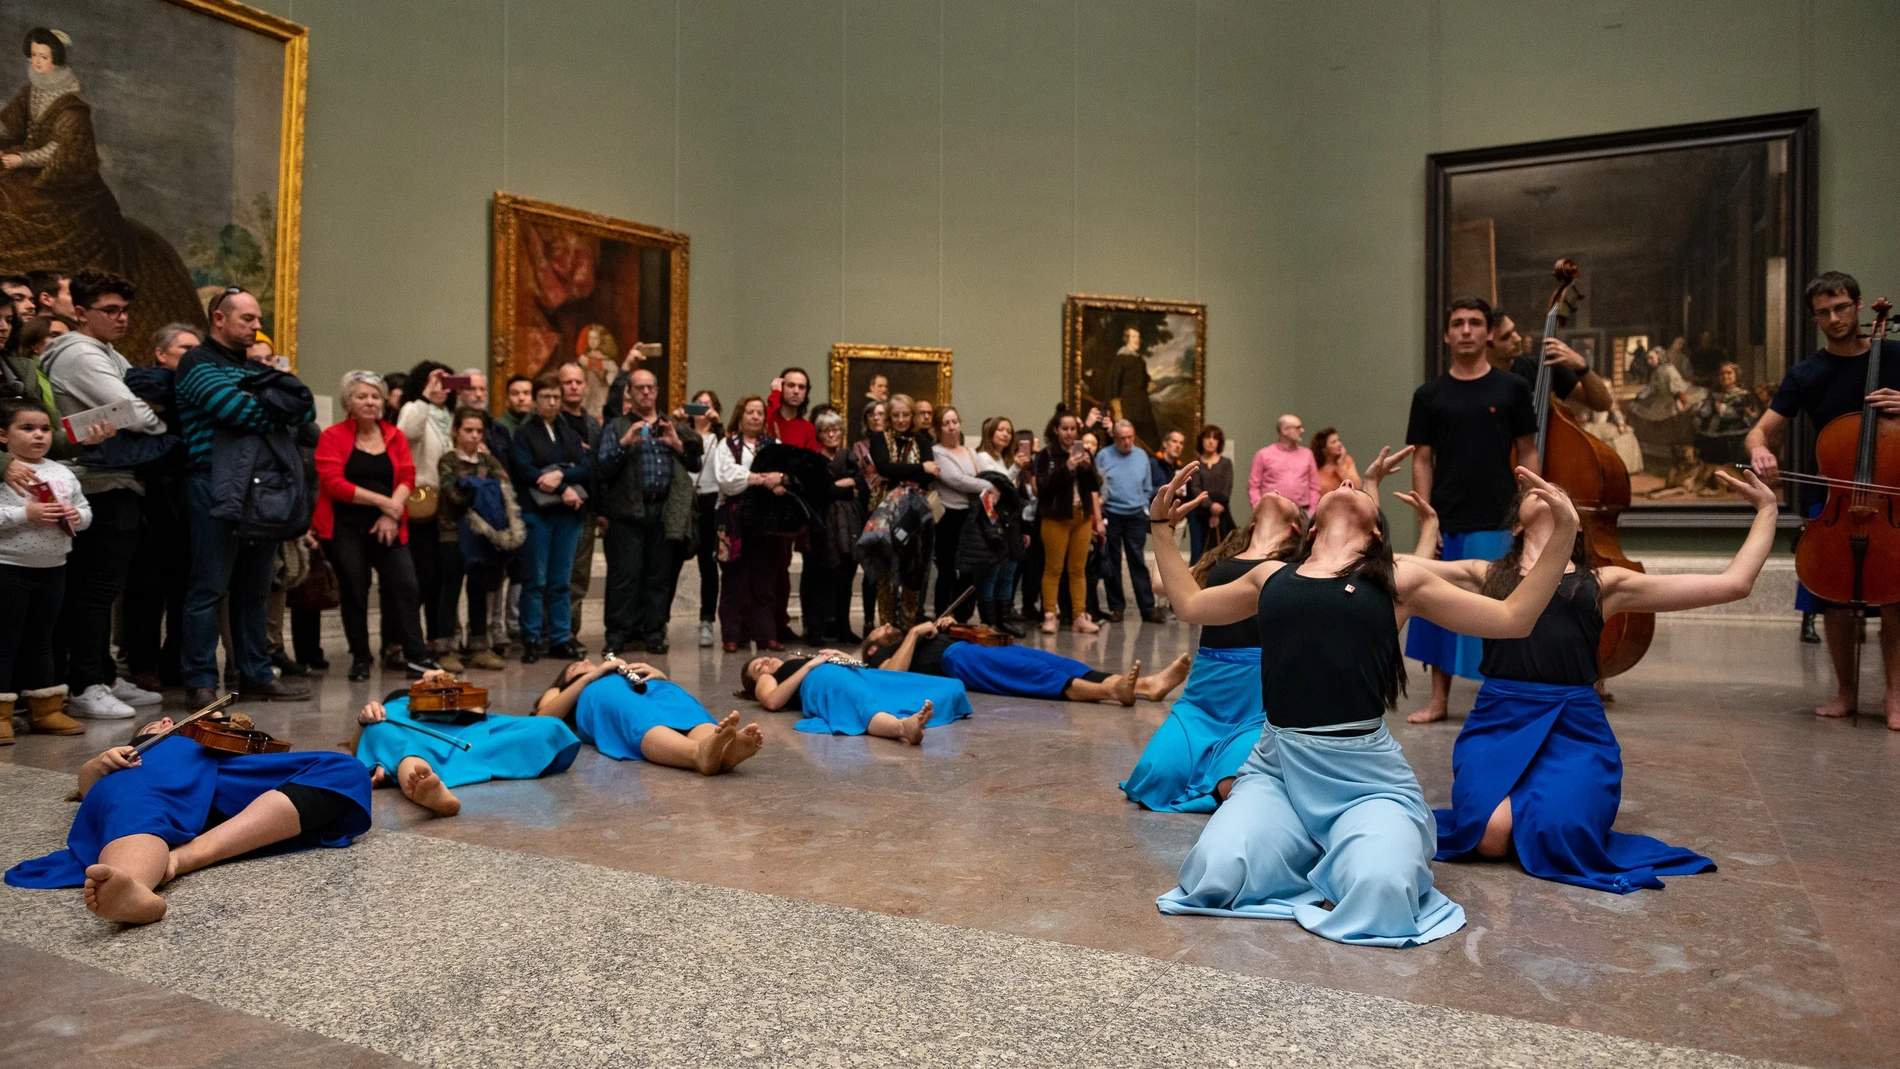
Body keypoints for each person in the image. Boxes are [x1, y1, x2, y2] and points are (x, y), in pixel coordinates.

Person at [1146, 449, 1579, 947]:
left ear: (1376, 532)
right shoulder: (1270, 577)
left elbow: (1512, 619)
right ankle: (1315, 851)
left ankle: (1352, 851)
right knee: (1211, 872)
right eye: (1342, 485)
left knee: (1380, 890)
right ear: (1309, 530)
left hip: (1366, 780)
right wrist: (1160, 525)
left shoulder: (1398, 580)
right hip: (1278, 772)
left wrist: (1563, 534)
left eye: (1358, 490)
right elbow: (1189, 604)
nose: (1348, 485)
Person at [1397, 468, 1777, 892]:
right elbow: (1399, 570)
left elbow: (1734, 584)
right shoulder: (1485, 574)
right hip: (1498, 721)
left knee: (1558, 834)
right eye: (1534, 492)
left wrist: (1767, 510)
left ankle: (1555, 801)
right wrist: (1430, 525)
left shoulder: (1605, 583)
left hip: (1574, 728)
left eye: (1559, 492)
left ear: (1574, 521)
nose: (1546, 490)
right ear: (1518, 524)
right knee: (1488, 835)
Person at [3, 720, 372, 925]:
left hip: (221, 780)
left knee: (345, 768)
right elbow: (87, 789)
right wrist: (100, 764)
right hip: (154, 783)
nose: (167, 721)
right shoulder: (138, 757)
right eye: (157, 722)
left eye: (170, 722)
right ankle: (134, 887)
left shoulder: (204, 742)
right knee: (138, 800)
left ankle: (183, 858)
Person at [1746, 270, 1900, 728]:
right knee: (1834, 597)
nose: (1834, 318)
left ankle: (1895, 695)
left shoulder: (1894, 357)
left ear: (1857, 306)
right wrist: (1758, 448)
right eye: (1823, 313)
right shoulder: (1807, 373)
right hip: (1832, 495)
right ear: (1815, 318)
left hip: (1891, 495)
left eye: (1841, 307)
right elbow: (1762, 428)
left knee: (1895, 598)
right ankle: (1845, 693)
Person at [1121, 493, 1308, 812]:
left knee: (1232, 786)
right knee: (1155, 776)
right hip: (1205, 694)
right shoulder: (1220, 559)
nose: (1277, 490)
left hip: (1258, 701)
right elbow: (1160, 584)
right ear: (1251, 523)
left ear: (1295, 527)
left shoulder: (1298, 568)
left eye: (1287, 496)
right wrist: (1168, 529)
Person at [38, 269, 169, 717]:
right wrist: (162, 425)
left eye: (125, 310)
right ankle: (85, 683)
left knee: (103, 587)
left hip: (111, 479)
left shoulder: (103, 349)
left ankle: (104, 674)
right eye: (110, 310)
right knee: (94, 590)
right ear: (79, 312)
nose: (122, 318)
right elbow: (133, 410)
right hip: (97, 481)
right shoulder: (79, 353)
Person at [175, 288, 313, 707]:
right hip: (214, 483)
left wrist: (270, 400)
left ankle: (255, 673)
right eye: (248, 319)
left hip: (263, 487)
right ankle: (201, 682)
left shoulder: (250, 365)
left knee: (256, 588)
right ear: (219, 318)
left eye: (257, 319)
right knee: (209, 588)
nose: (257, 327)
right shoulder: (197, 361)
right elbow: (238, 411)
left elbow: (304, 412)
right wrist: (272, 402)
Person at [1403, 297, 1537, 725]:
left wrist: (1529, 507)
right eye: (1457, 323)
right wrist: (1428, 517)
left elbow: (1529, 450)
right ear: (1446, 335)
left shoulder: (1512, 388)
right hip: (1449, 516)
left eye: (1475, 323)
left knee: (1499, 608)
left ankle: (1500, 698)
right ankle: (1439, 699)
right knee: (1435, 607)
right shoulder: (1429, 395)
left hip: (1499, 515)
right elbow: (1421, 458)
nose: (1465, 330)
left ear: (1489, 333)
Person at [314, 371, 433, 681]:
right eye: (361, 396)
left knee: (406, 586)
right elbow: (333, 483)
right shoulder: (332, 436)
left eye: (375, 396)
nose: (369, 402)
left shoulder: (394, 435)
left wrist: (392, 513)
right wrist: (384, 503)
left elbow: (407, 476)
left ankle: (417, 656)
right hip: (346, 525)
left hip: (389, 524)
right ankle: (361, 658)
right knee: (355, 590)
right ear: (348, 402)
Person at [353, 671, 581, 817]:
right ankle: (427, 788)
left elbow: (478, 713)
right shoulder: (396, 703)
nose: (430, 680)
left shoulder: (455, 693)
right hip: (405, 727)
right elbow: (356, 747)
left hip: (464, 731)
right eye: (424, 680)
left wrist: (450, 683)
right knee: (384, 729)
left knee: (549, 727)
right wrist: (364, 719)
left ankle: (425, 775)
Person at [0, 398, 91, 740]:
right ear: (3, 436)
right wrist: (26, 514)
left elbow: (85, 511)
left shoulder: (61, 471)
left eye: (44, 429)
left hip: (53, 568)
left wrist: (76, 517)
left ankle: (46, 708)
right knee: (5, 640)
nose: (38, 436)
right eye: (27, 428)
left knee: (44, 638)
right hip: (7, 567)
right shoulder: (5, 473)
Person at [597, 368, 702, 656]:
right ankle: (617, 634)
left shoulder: (671, 425)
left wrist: (676, 444)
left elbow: (694, 463)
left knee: (659, 577)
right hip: (626, 513)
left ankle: (654, 632)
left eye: (650, 387)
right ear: (629, 392)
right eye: (639, 388)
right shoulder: (617, 426)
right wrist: (624, 444)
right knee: (625, 577)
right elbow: (603, 468)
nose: (645, 392)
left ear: (656, 391)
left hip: (663, 511)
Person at [860, 616, 1190, 705]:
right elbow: (891, 677)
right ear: (871, 648)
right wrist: (914, 635)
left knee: (1056, 662)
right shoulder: (885, 654)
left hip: (972, 646)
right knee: (1033, 674)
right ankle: (1112, 692)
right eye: (880, 629)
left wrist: (946, 625)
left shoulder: (907, 638)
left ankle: (1147, 685)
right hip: (958, 659)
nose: (887, 626)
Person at [121, 322, 200, 693]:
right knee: (147, 588)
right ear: (161, 353)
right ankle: (142, 663)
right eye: (185, 349)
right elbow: (141, 390)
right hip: (153, 495)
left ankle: (176, 664)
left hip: (190, 497)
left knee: (186, 588)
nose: (193, 356)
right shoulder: (145, 379)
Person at [535, 657, 765, 774]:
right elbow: (544, 717)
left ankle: (723, 752)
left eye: (588, 662)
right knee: (637, 715)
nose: (585, 661)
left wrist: (659, 676)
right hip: (600, 693)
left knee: (681, 703)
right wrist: (590, 676)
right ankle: (697, 754)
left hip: (646, 686)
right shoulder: (566, 689)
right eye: (575, 666)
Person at [510, 372, 591, 664]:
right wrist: (563, 484)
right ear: (536, 400)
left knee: (561, 580)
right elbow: (524, 469)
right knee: (535, 580)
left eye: (557, 397)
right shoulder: (524, 431)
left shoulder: (568, 429)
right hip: (538, 513)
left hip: (567, 515)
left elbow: (584, 466)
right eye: (546, 397)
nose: (553, 402)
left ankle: (560, 637)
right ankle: (531, 638)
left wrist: (560, 475)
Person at [436, 406, 520, 671]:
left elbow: (503, 482)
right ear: (455, 431)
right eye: (468, 430)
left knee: (479, 589)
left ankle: (479, 646)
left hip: (482, 535)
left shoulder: (487, 460)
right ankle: (445, 648)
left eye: (478, 431)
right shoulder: (448, 459)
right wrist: (482, 490)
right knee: (449, 589)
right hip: (451, 532)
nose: (474, 436)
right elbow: (454, 495)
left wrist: (478, 486)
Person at [742, 649, 970, 744]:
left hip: (849, 672)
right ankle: (901, 728)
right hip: (822, 680)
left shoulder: (794, 659)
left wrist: (842, 656)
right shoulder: (770, 678)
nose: (764, 662)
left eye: (762, 658)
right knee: (860, 703)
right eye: (757, 668)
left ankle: (917, 716)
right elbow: (772, 701)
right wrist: (811, 665)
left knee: (922, 685)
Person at [712, 395, 783, 652]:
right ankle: (732, 635)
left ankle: (765, 634)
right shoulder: (727, 444)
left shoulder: (773, 444)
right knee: (734, 578)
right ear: (740, 416)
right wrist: (759, 478)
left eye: (759, 413)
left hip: (765, 519)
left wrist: (777, 477)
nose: (755, 417)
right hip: (734, 520)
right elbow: (726, 477)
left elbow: (782, 472)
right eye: (750, 412)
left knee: (764, 578)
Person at [397, 361, 457, 665]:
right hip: (419, 502)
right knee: (419, 578)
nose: (442, 388)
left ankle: (435, 640)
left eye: (447, 382)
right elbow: (406, 436)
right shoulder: (413, 408)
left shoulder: (450, 417)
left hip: (446, 508)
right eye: (436, 381)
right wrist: (424, 397)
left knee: (440, 579)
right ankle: (401, 642)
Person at [864, 394, 938, 631]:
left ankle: (908, 626)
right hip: (885, 513)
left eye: (906, 415)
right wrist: (918, 468)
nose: (901, 419)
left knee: (913, 569)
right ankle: (886, 628)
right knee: (885, 570)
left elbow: (930, 475)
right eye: (895, 415)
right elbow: (884, 466)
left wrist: (898, 473)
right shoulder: (879, 438)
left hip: (914, 514)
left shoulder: (922, 440)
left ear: (913, 416)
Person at [1032, 408, 1101, 634]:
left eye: (1073, 429)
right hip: (1055, 517)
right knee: (1053, 568)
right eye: (1065, 429)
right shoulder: (1046, 455)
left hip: (1081, 517)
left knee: (1078, 569)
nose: (1070, 433)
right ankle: (1050, 615)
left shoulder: (1082, 452)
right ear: (1055, 430)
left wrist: (1087, 467)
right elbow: (1043, 486)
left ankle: (1079, 616)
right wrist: (1068, 467)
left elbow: (1095, 486)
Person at [809, 409, 867, 643]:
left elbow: (862, 484)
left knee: (846, 577)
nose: (832, 434)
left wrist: (845, 485)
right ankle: (816, 630)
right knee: (820, 580)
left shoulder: (849, 456)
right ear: (819, 434)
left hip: (850, 525)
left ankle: (843, 628)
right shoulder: (814, 460)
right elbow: (821, 491)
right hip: (823, 525)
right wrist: (845, 488)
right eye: (826, 430)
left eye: (836, 429)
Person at [1095, 418, 1161, 624]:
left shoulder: (1141, 456)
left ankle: (1147, 608)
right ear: (1114, 438)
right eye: (1122, 438)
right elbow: (1099, 487)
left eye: (1130, 437)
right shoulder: (1103, 456)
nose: (1127, 442)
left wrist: (1143, 507)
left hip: (1135, 516)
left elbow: (1147, 487)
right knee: (1112, 562)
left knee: (1137, 561)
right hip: (1112, 514)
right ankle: (1117, 608)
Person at [927, 406, 989, 620]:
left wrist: (983, 483)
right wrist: (989, 485)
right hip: (948, 518)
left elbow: (981, 475)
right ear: (938, 428)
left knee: (969, 569)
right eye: (946, 423)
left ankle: (963, 617)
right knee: (947, 570)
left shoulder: (971, 452)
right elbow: (957, 480)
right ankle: (942, 616)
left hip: (970, 516)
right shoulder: (937, 452)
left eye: (954, 422)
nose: (952, 427)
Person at [557, 361, 604, 638]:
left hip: (586, 513)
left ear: (585, 387)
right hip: (555, 511)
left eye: (578, 382)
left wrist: (600, 510)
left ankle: (570, 633)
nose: (573, 387)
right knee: (555, 577)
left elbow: (597, 471)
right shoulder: (551, 423)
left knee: (578, 578)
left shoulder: (592, 425)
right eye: (567, 382)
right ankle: (551, 632)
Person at [1489, 311, 1614, 414]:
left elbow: (1604, 404)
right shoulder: (1475, 380)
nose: (1518, 338)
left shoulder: (1543, 367)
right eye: (1506, 337)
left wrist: (1582, 365)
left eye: (1514, 330)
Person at [686, 390, 724, 648]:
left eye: (707, 405)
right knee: (671, 563)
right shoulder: (684, 434)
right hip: (686, 502)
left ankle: (707, 621)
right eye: (697, 405)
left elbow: (729, 453)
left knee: (708, 567)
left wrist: (719, 423)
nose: (702, 409)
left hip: (712, 502)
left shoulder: (719, 439)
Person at [1248, 414, 1319, 513]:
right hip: (1272, 511)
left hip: (1302, 512)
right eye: (1298, 427)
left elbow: (1314, 487)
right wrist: (1259, 510)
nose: (1302, 430)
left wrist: (1311, 512)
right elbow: (1253, 487)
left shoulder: (1307, 454)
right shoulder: (1263, 455)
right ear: (1285, 430)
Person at [1184, 425, 1234, 563]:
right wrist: (1211, 506)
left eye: (1215, 438)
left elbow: (1226, 489)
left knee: (1222, 554)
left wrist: (1216, 511)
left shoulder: (1226, 463)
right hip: (1199, 514)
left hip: (1222, 513)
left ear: (1219, 442)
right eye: (1207, 437)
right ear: (1201, 440)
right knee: (1197, 554)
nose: (1211, 441)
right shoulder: (1195, 463)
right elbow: (1195, 488)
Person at [1694, 361, 1758, 467]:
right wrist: (1705, 409)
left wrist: (1722, 408)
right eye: (1722, 374)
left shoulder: (1743, 395)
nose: (1725, 376)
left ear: (1736, 375)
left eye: (1729, 373)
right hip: (1710, 435)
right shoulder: (1714, 394)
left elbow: (1739, 413)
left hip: (1731, 436)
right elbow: (1703, 412)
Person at [1312, 427, 1359, 495]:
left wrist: (1340, 463)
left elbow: (1356, 486)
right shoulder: (1315, 466)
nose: (1339, 444)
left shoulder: (1347, 461)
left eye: (1339, 440)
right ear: (1323, 448)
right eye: (1334, 442)